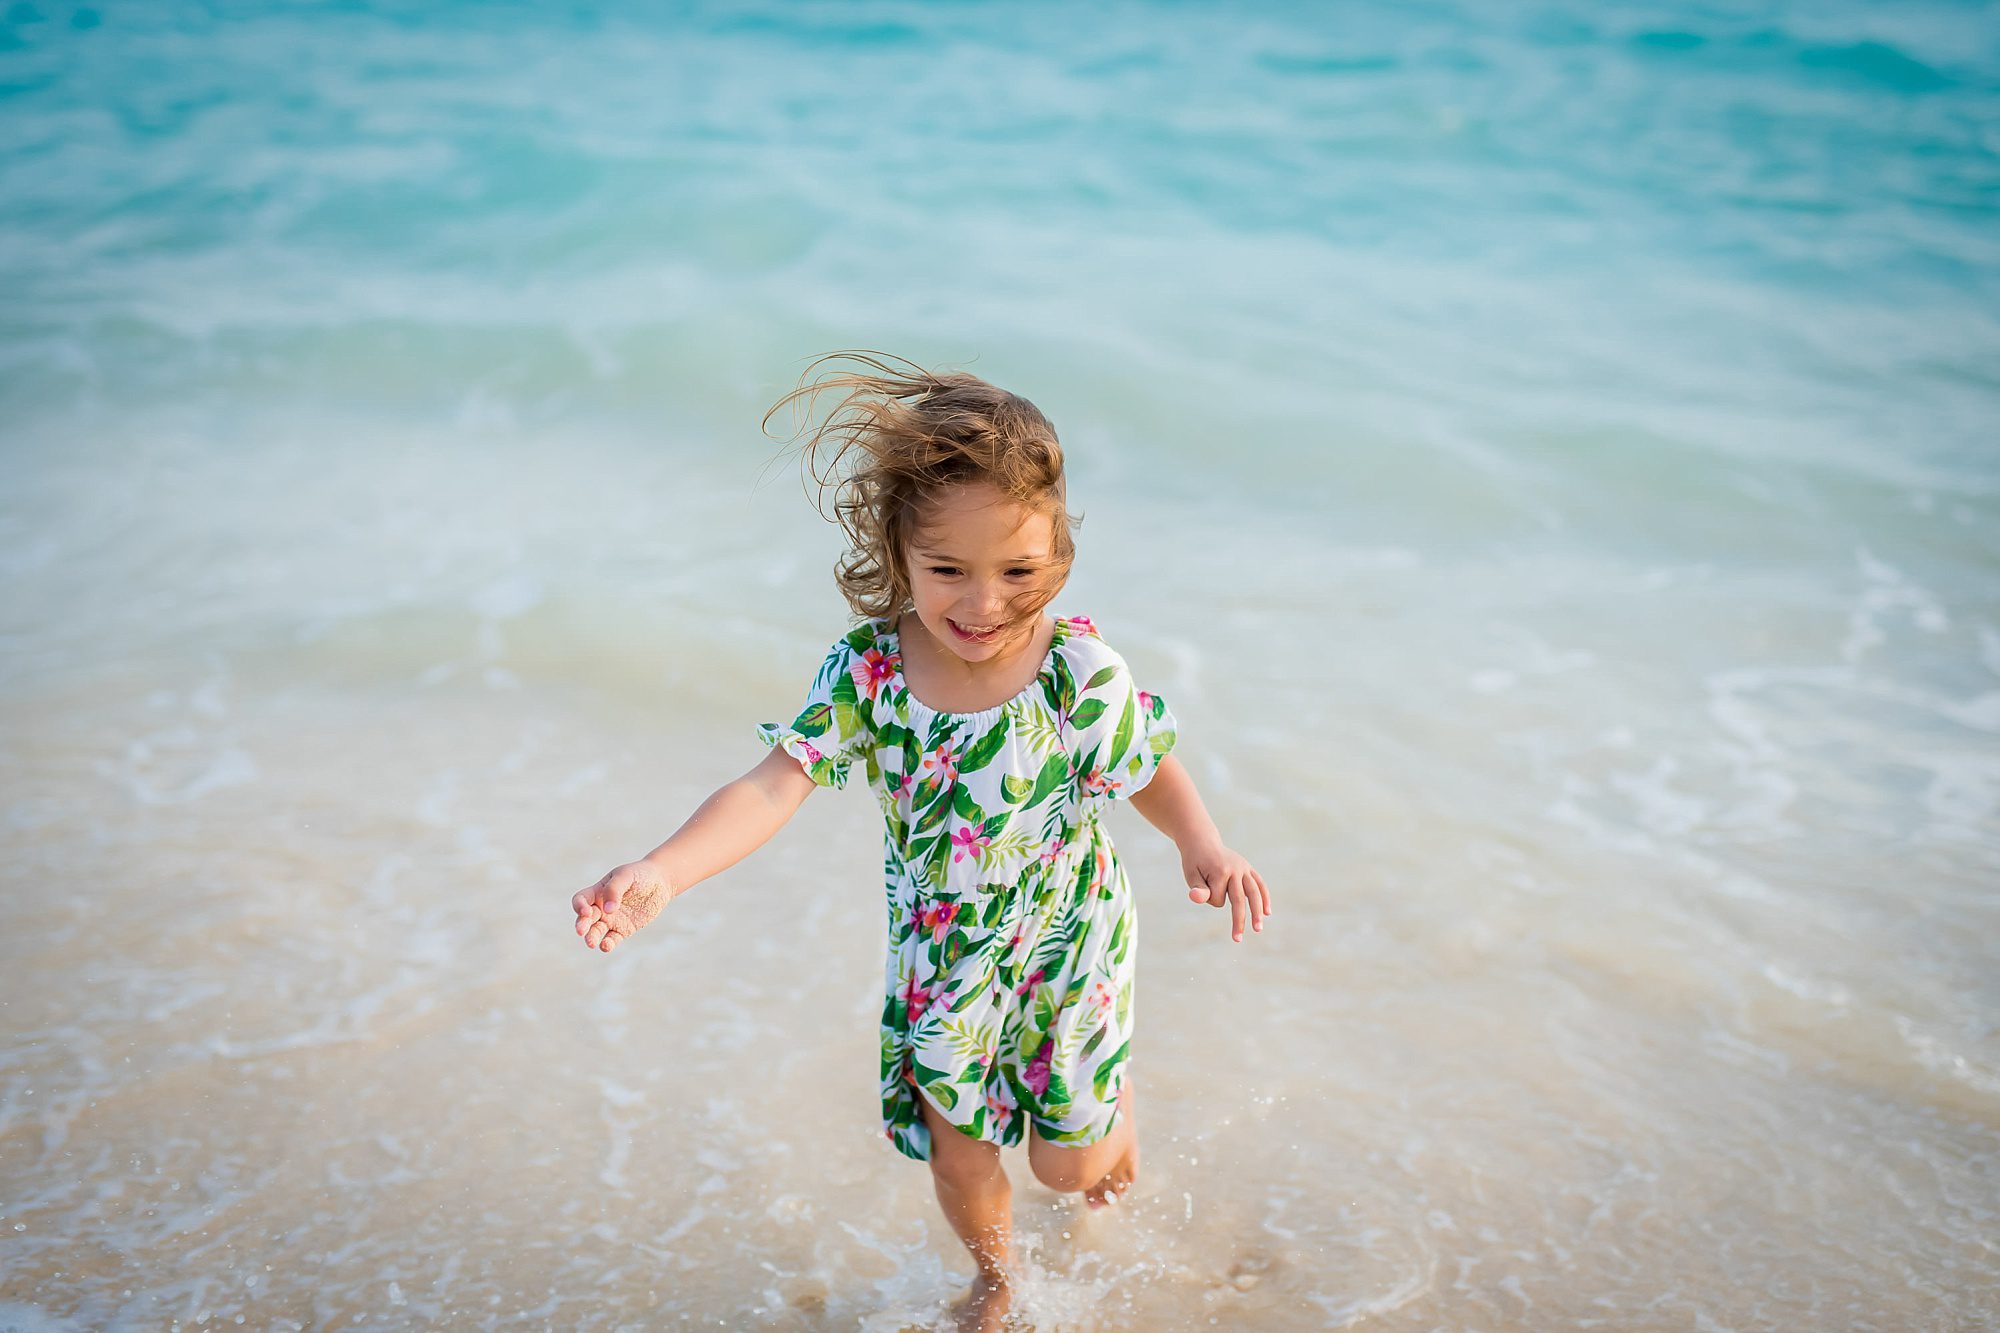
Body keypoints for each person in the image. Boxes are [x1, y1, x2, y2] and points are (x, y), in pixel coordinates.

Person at [570, 350, 1271, 1331]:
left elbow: (1146, 762)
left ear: (1059, 555)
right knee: (958, 1147)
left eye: (1016, 572)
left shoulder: (1077, 671)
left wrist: (1203, 844)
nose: (981, 605)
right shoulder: (868, 674)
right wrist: (662, 870)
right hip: (944, 959)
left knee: (1070, 1166)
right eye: (947, 571)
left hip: (1071, 941)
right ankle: (995, 1278)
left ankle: (1106, 1122)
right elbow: (774, 784)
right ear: (896, 552)